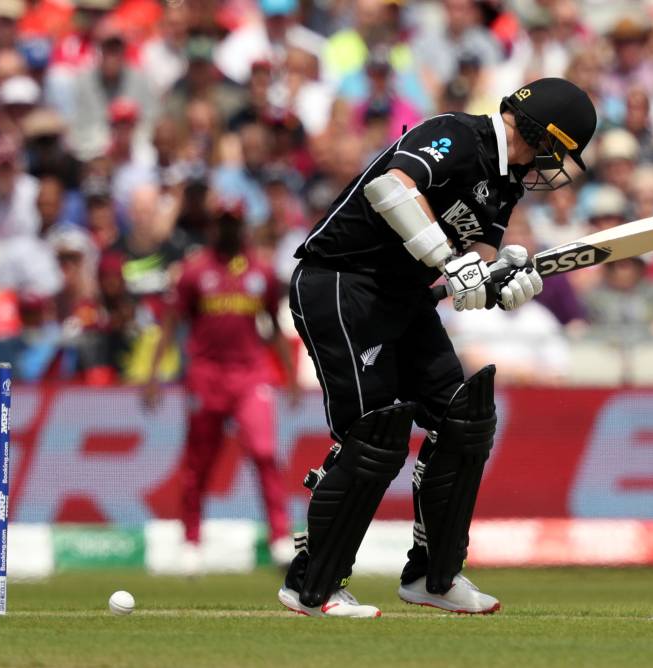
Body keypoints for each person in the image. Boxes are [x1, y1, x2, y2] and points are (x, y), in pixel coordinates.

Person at [279, 77, 595, 616]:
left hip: (404, 298)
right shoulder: (455, 134)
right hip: (341, 281)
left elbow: (472, 265)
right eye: (558, 150)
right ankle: (313, 585)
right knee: (374, 432)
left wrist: (499, 280)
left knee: (463, 419)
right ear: (540, 134)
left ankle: (433, 575)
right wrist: (453, 262)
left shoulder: (506, 183)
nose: (555, 165)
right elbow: (392, 189)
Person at [144, 201, 299, 573]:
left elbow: (273, 326)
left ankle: (279, 537)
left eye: (234, 222)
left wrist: (290, 375)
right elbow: (171, 322)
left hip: (251, 374)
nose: (229, 229)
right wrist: (153, 374)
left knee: (264, 452)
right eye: (223, 222)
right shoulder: (195, 271)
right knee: (199, 461)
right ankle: (191, 540)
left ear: (242, 224)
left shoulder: (260, 270)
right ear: (215, 226)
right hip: (206, 375)